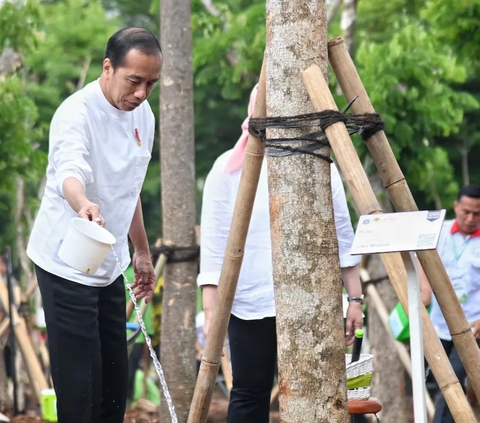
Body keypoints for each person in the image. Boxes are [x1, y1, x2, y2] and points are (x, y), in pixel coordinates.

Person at [198, 84, 364, 423]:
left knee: (316, 393)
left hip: (311, 298)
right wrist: (212, 312)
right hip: (248, 302)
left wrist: (355, 299)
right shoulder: (227, 170)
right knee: (249, 390)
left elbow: (342, 236)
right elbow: (214, 247)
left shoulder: (320, 164)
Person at [26, 27, 162, 423]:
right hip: (66, 261)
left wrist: (141, 251)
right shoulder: (76, 112)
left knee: (113, 386)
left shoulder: (144, 115)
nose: (141, 93)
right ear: (108, 67)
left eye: (150, 84)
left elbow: (129, 186)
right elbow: (69, 171)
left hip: (108, 263)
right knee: (79, 386)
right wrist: (83, 202)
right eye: (133, 81)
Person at [420, 185, 480, 423]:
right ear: (456, 206)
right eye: (466, 211)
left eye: (477, 214)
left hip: (472, 328)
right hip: (438, 325)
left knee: (453, 380)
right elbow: (418, 258)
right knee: (435, 383)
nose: (470, 218)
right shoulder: (438, 232)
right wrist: (424, 290)